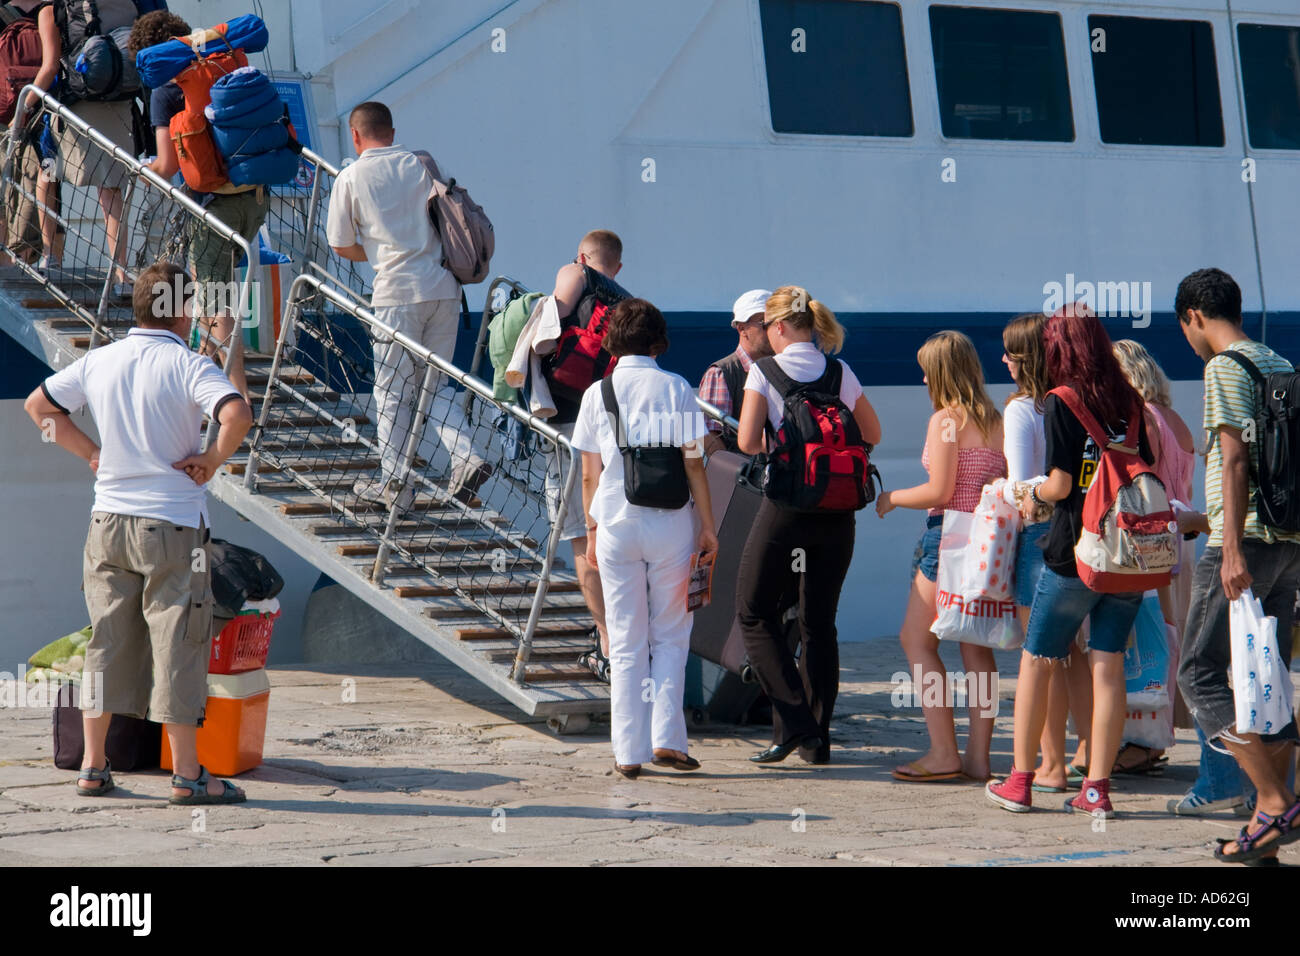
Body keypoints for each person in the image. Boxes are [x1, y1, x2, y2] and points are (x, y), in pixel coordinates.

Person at [22, 260, 253, 804]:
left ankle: (93, 766)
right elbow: (237, 414)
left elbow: (40, 408)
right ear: (183, 309)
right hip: (172, 525)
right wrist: (212, 460)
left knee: (106, 641)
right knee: (178, 642)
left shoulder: (100, 360)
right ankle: (188, 775)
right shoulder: (187, 365)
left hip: (107, 524)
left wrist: (91, 453)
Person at [987, 304, 1154, 818]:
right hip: (1127, 556)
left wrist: (1024, 489)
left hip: (1073, 553)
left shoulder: (1061, 401)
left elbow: (1060, 485)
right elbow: (1142, 467)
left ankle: (1020, 782)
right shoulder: (1129, 400)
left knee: (1038, 660)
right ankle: (1097, 791)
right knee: (1107, 665)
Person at [1173, 267, 1300, 863]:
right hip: (1287, 541)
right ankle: (1266, 827)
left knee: (1198, 673)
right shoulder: (1278, 362)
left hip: (1243, 542)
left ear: (1195, 316)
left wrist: (1226, 549)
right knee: (1266, 683)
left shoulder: (1224, 368)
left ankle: (1276, 799)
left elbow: (1233, 459)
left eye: (1186, 328)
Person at [735, 285, 881, 765]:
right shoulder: (841, 371)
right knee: (819, 624)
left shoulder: (764, 371)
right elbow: (873, 434)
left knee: (756, 613)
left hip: (787, 510)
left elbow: (748, 442)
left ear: (777, 327)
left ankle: (795, 724)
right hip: (839, 512)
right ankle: (817, 740)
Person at [571, 298, 717, 777]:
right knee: (672, 634)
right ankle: (668, 741)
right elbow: (694, 462)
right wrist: (708, 526)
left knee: (626, 638)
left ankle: (626, 752)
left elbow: (589, 474)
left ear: (614, 338)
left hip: (614, 523)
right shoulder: (676, 388)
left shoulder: (598, 393)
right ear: (658, 338)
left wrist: (591, 530)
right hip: (671, 522)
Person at [326, 100, 489, 510]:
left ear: (355, 135)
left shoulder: (350, 177)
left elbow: (340, 243)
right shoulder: (423, 163)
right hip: (445, 289)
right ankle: (465, 455)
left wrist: (381, 251)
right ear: (393, 133)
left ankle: (395, 486)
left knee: (393, 392)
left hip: (397, 296)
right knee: (435, 386)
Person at [877, 330, 1006, 782]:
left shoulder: (946, 420)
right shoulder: (999, 419)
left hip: (948, 538)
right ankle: (979, 758)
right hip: (989, 544)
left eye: (926, 373)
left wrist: (892, 497)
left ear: (940, 373)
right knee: (976, 649)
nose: (924, 381)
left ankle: (942, 752)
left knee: (917, 641)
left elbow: (940, 491)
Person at [131, 9, 263, 400]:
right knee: (209, 286)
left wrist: (145, 169)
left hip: (212, 204)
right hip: (254, 198)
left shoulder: (167, 91)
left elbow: (168, 166)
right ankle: (205, 364)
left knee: (215, 297)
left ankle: (234, 396)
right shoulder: (225, 61)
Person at [1003, 313, 1093, 794]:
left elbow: (1022, 485)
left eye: (1010, 354)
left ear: (1026, 360)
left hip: (1041, 539)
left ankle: (1051, 765)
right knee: (1079, 654)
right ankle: (1090, 756)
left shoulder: (1023, 409)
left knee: (1042, 656)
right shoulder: (1080, 400)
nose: (1003, 362)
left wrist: (1024, 494)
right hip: (1083, 537)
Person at [540, 229, 632, 682]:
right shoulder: (630, 305)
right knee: (615, 538)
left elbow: (552, 318)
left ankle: (609, 645)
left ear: (582, 256)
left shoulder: (574, 273)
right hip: (612, 432)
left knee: (582, 539)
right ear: (616, 266)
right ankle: (627, 637)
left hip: (567, 429)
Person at [1111, 338, 1198, 776]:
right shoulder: (1175, 418)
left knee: (1152, 639)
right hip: (1181, 541)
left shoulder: (1142, 419)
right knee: (1168, 635)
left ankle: (1145, 743)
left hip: (1153, 546)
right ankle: (1152, 740)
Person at [49, 0, 139, 294]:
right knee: (112, 191)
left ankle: (50, 257)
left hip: (80, 99)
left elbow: (52, 59)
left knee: (47, 171)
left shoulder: (60, 5)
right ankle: (121, 275)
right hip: (121, 99)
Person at [699, 289, 773, 456]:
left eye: (775, 323)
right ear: (742, 329)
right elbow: (711, 438)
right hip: (747, 477)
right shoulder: (721, 373)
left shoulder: (781, 368)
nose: (771, 329)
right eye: (764, 323)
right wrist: (738, 475)